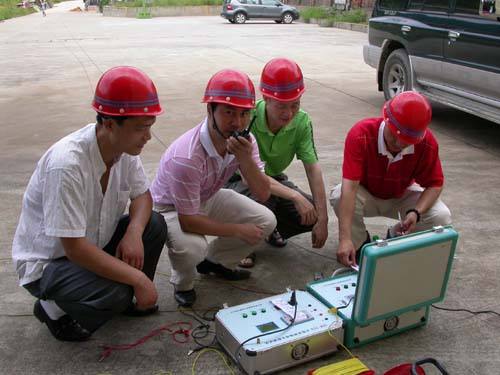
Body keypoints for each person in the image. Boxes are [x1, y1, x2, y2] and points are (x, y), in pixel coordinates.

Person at [12, 66, 167, 341]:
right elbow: (75, 249)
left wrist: (133, 233)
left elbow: (142, 196)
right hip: (52, 264)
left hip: (91, 244)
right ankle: (52, 308)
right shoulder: (67, 165)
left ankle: (120, 293)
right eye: (140, 129)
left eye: (150, 127)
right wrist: (139, 279)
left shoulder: (124, 148)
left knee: (152, 224)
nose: (147, 136)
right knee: (120, 291)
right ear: (109, 123)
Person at [150, 69, 276, 307]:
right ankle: (183, 283)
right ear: (210, 110)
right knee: (192, 248)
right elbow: (188, 221)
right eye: (229, 112)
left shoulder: (244, 141)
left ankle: (217, 262)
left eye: (244, 114)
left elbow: (263, 193)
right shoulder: (187, 156)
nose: (237, 122)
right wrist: (237, 230)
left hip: (207, 195)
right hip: (171, 208)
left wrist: (246, 159)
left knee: (266, 221)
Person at [226, 58, 328, 268]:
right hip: (239, 182)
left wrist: (323, 218)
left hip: (273, 179)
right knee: (261, 198)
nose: (289, 113)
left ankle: (271, 229)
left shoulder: (302, 121)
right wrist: (295, 195)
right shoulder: (248, 117)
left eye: (295, 105)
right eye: (282, 105)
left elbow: (313, 168)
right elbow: (251, 178)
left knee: (311, 213)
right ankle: (241, 244)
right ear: (266, 97)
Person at [330, 91, 452, 267]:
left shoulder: (426, 143)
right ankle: (360, 244)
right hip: (367, 194)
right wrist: (345, 238)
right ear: (386, 120)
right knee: (339, 196)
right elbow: (349, 188)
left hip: (401, 194)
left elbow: (435, 184)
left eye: (406, 140)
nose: (399, 144)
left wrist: (415, 212)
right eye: (394, 136)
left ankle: (395, 238)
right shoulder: (361, 134)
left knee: (441, 216)